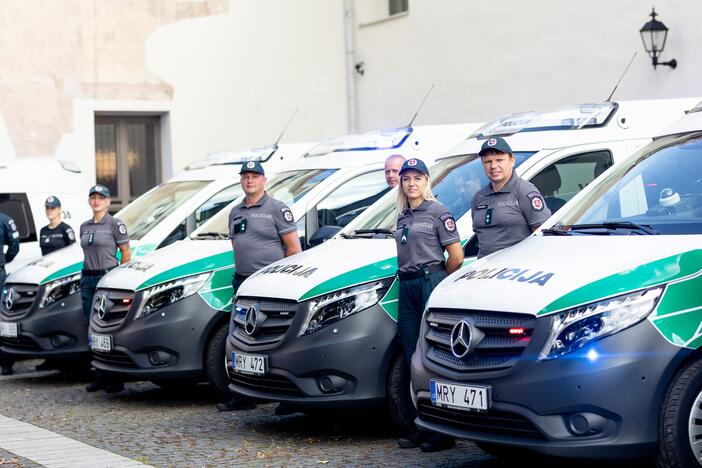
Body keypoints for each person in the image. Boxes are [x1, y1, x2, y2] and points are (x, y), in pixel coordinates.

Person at [217, 160, 301, 412]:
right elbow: (238, 247)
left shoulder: (277, 209)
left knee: (279, 341)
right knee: (241, 342)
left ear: (264, 180)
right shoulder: (235, 212)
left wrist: (284, 282)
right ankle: (243, 394)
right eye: (245, 176)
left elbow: (294, 250)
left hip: (271, 287)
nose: (249, 180)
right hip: (243, 285)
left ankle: (288, 398)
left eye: (254, 176)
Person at [393, 158, 463, 453]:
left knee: (434, 356)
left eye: (417, 178)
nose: (411, 184)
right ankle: (419, 426)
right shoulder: (401, 216)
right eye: (406, 178)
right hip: (406, 284)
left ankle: (442, 432)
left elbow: (456, 257)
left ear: (427, 182)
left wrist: (436, 282)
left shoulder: (438, 212)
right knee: (412, 358)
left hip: (429, 280)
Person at [81, 185, 131, 392]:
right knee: (92, 328)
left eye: (101, 197)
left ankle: (115, 378)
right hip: (87, 280)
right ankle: (100, 374)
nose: (96, 201)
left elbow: (126, 253)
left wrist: (117, 277)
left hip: (106, 279)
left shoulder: (115, 224)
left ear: (108, 202)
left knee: (109, 328)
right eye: (93, 197)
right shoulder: (84, 226)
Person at [471, 136, 552, 258]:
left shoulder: (525, 191)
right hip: (485, 270)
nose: (493, 166)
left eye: (499, 160)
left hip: (516, 269)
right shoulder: (479, 197)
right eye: (488, 161)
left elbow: (542, 237)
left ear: (512, 160)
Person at [0, 211, 20, 376]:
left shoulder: (4, 219)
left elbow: (15, 245)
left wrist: (3, 260)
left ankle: (6, 362)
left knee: (2, 318)